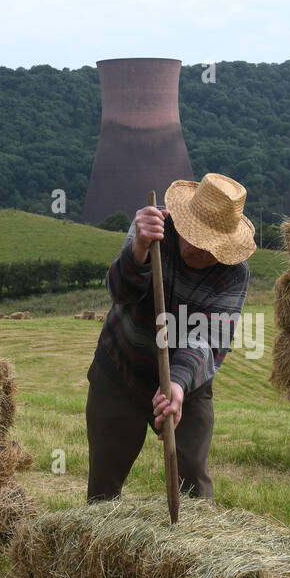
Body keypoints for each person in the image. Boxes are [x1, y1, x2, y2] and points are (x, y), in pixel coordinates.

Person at [85, 172, 256, 503]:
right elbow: (119, 293)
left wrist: (176, 386)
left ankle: (198, 549)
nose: (196, 248)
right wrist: (139, 249)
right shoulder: (152, 228)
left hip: (187, 383)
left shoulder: (234, 273)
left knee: (193, 477)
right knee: (103, 487)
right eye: (193, 236)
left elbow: (208, 338)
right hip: (121, 368)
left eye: (209, 246)